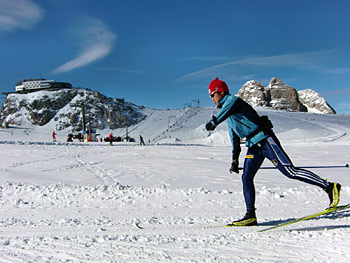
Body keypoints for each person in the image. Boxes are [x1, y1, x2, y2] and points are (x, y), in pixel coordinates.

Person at [205, 77, 341, 226]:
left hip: (265, 141)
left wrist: (213, 122)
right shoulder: (228, 113)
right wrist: (234, 158)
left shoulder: (232, 101)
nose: (211, 98)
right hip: (253, 146)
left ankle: (330, 187)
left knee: (290, 172)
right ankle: (250, 215)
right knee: (246, 177)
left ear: (221, 92)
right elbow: (234, 136)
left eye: (212, 95)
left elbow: (221, 114)